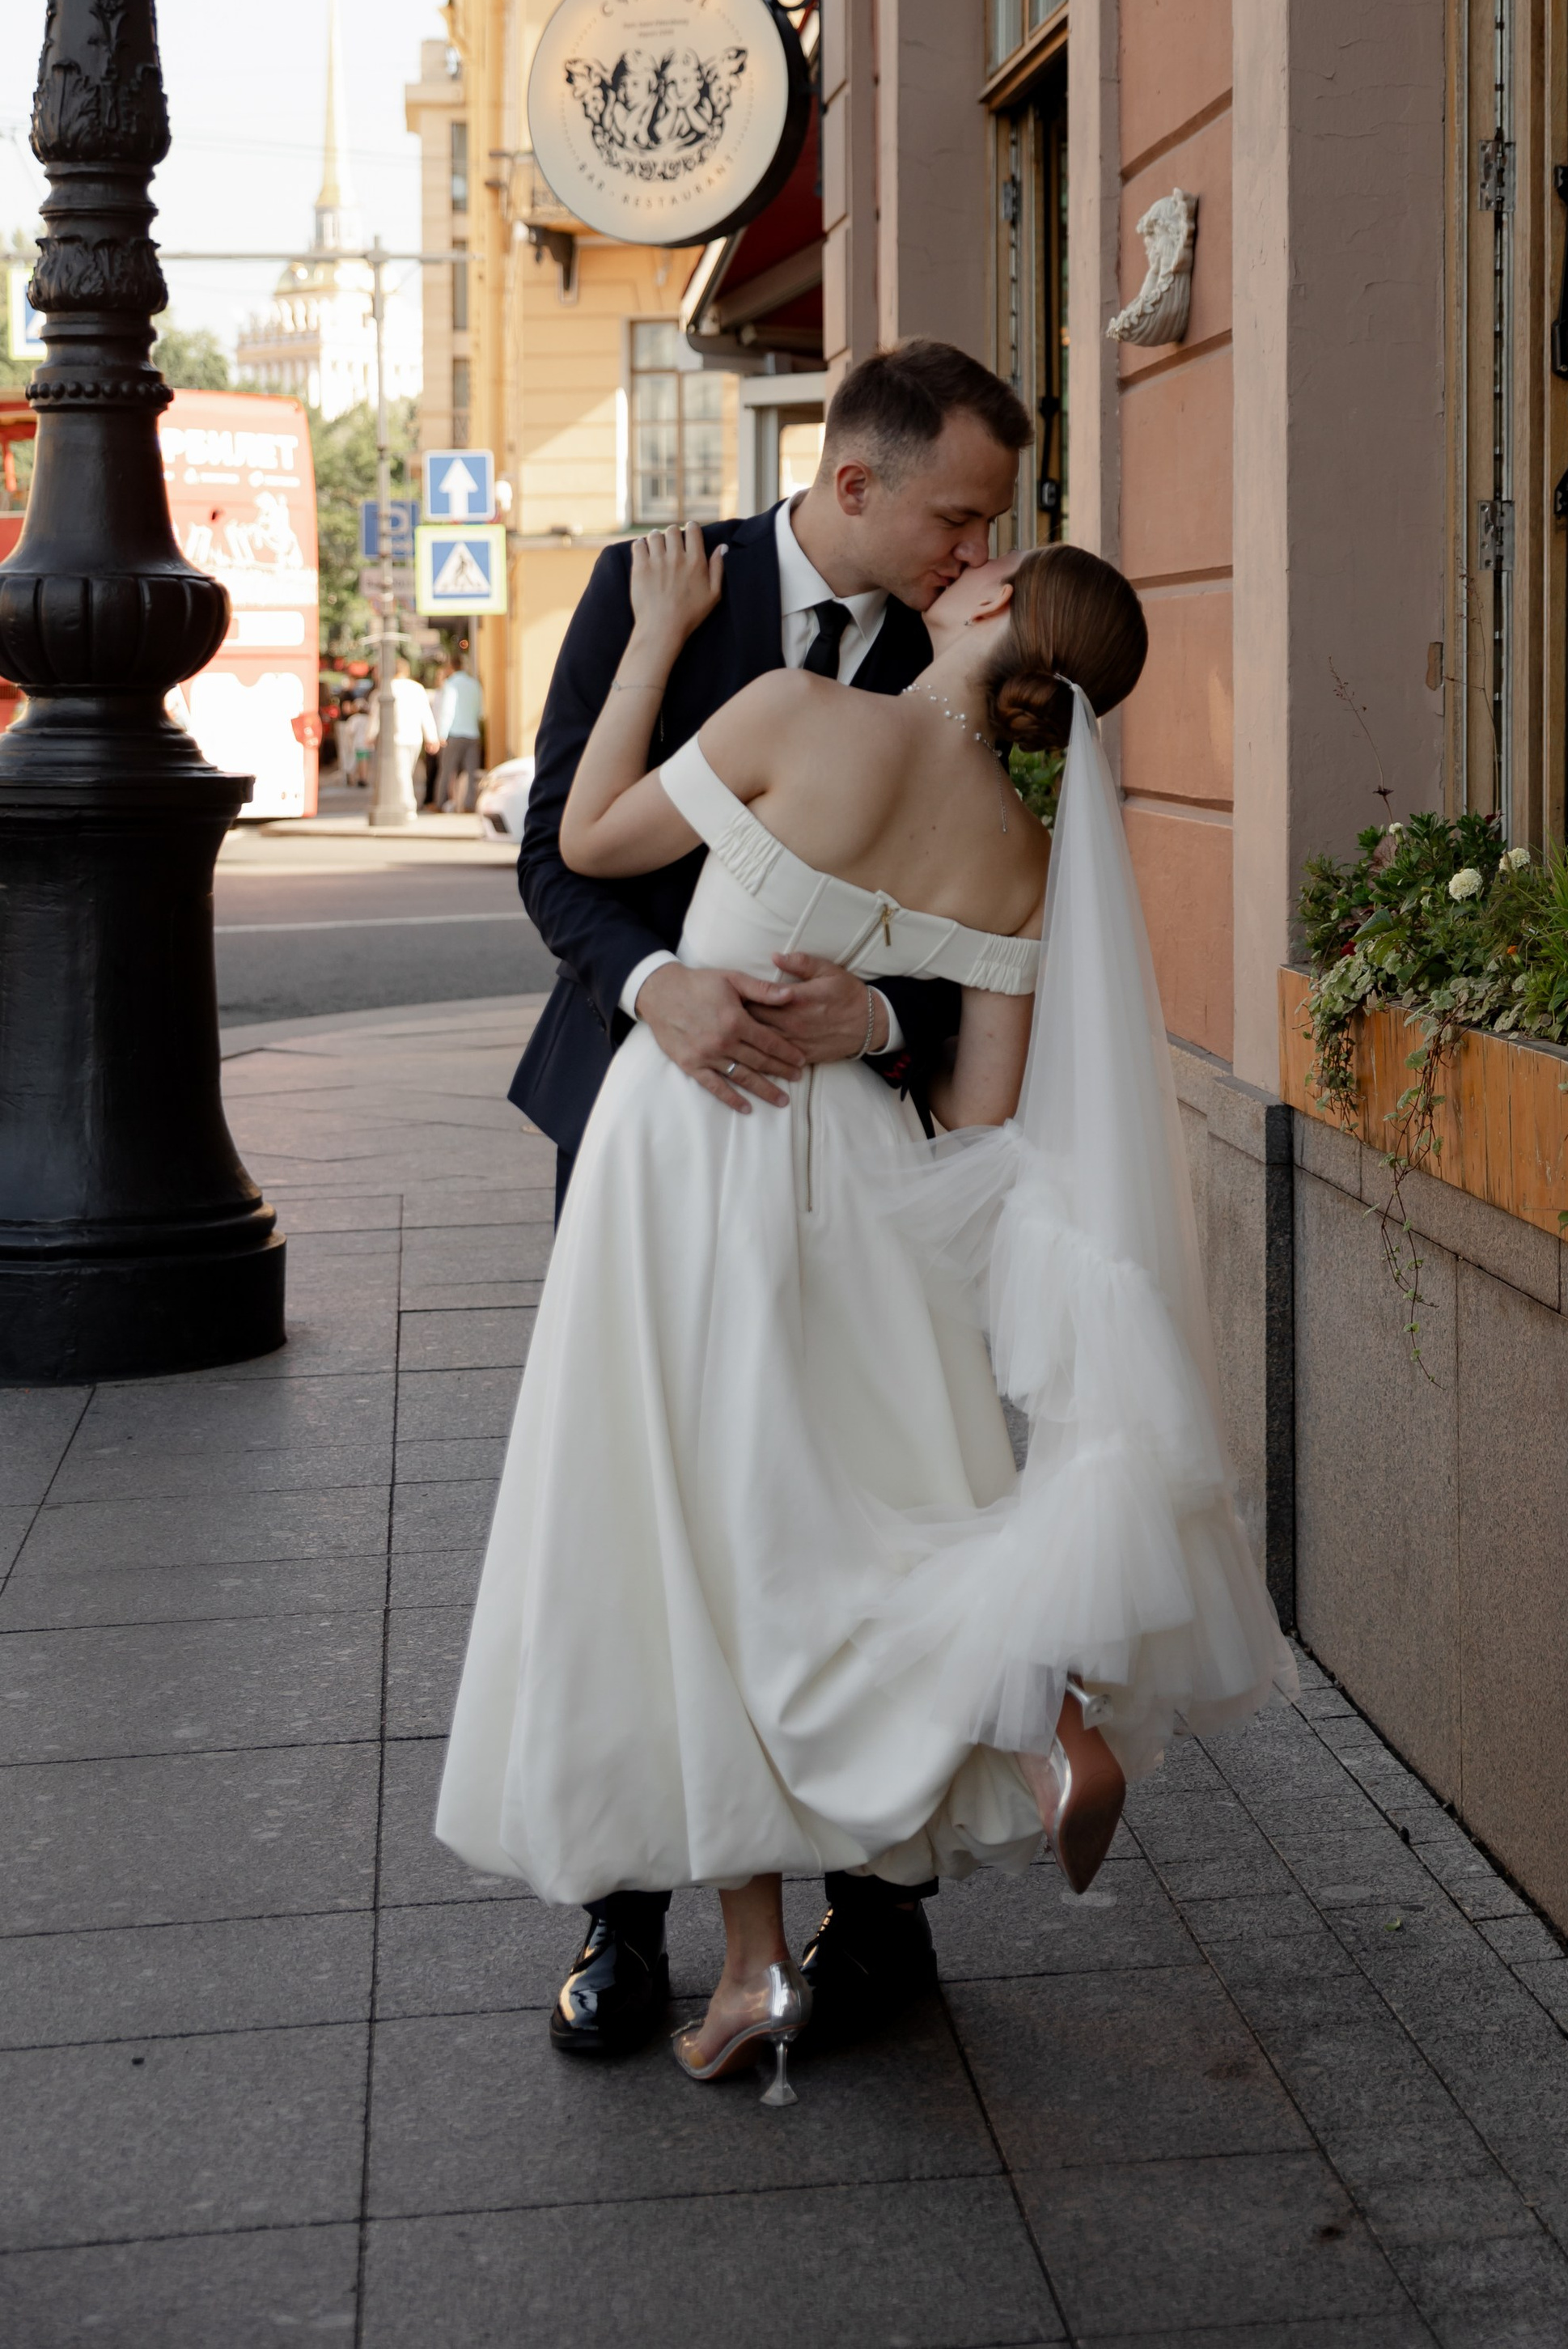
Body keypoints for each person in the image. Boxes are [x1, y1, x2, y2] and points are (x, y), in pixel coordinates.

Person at [438, 530, 1292, 2103]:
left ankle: (772, 1940)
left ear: (989, 614)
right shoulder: (1021, 853)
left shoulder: (791, 712)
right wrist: (878, 1014)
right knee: (814, 1517)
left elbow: (588, 835)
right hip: (863, 1176)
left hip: (684, 1152)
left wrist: (650, 642)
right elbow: (978, 1104)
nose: (963, 560)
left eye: (987, 561)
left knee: (696, 1531)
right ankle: (1001, 1742)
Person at [501, 341, 1032, 2046]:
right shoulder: (661, 587)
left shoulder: (976, 686)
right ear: (855, 483)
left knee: (842, 1487)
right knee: (645, 1504)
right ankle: (619, 1908)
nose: (976, 551)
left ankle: (871, 1903)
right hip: (650, 1126)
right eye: (958, 513)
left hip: (842, 1161)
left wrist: (872, 1017)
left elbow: (968, 978)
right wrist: (652, 987)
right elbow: (552, 852)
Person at [433, 647, 485, 810]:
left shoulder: (451, 684)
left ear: (451, 667)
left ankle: (440, 803)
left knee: (446, 771)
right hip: (473, 733)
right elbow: (480, 710)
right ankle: (470, 804)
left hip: (455, 733)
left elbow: (448, 710)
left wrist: (442, 733)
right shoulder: (475, 684)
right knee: (471, 773)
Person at [385, 664, 442, 808]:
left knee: (401, 772)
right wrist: (432, 737)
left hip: (396, 737)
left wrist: (371, 734)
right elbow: (426, 714)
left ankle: (407, 805)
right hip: (415, 737)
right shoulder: (417, 688)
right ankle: (402, 803)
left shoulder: (389, 687)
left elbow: (378, 714)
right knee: (405, 771)